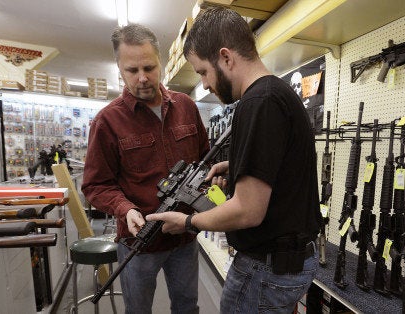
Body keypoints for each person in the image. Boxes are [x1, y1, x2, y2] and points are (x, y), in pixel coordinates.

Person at [147, 7, 322, 313]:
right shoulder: (277, 92)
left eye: (203, 71)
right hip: (283, 264)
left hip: (265, 270)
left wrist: (188, 222)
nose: (203, 84)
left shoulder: (258, 102)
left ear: (226, 57)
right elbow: (283, 164)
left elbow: (248, 211)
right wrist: (238, 163)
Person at [81, 23, 209, 314]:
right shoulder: (107, 121)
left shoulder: (186, 106)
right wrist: (126, 209)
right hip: (138, 242)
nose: (142, 78)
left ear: (161, 62)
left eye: (149, 67)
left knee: (187, 306)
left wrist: (211, 185)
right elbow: (95, 185)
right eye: (132, 70)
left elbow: (205, 158)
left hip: (185, 236)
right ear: (119, 70)